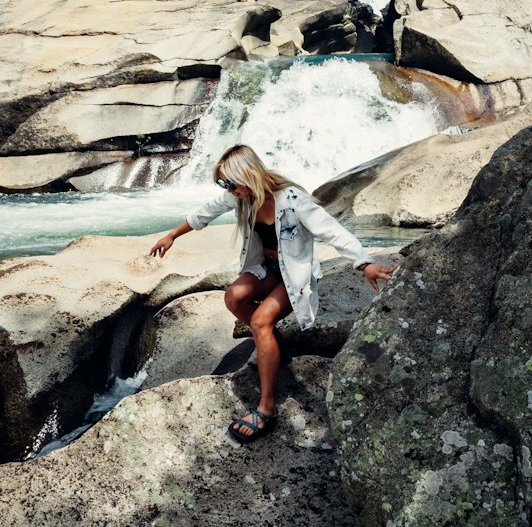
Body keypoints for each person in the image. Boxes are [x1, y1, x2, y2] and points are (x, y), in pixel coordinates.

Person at [149, 143, 394, 442]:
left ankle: (266, 408)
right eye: (222, 183)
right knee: (234, 297)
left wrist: (363, 262)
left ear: (249, 175)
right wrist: (171, 235)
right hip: (267, 270)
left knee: (261, 321)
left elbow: (331, 230)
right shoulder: (242, 197)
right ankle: (273, 346)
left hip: (293, 276)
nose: (227, 189)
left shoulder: (292, 200)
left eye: (229, 182)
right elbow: (205, 213)